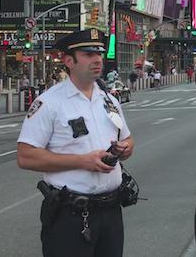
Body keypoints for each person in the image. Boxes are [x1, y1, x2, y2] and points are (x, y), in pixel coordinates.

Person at [16, 29, 134, 256]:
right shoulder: (49, 103)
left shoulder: (108, 100)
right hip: (71, 214)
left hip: (110, 211)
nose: (98, 59)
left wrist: (126, 148)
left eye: (99, 53)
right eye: (89, 54)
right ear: (68, 60)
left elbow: (127, 138)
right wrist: (83, 161)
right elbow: (25, 156)